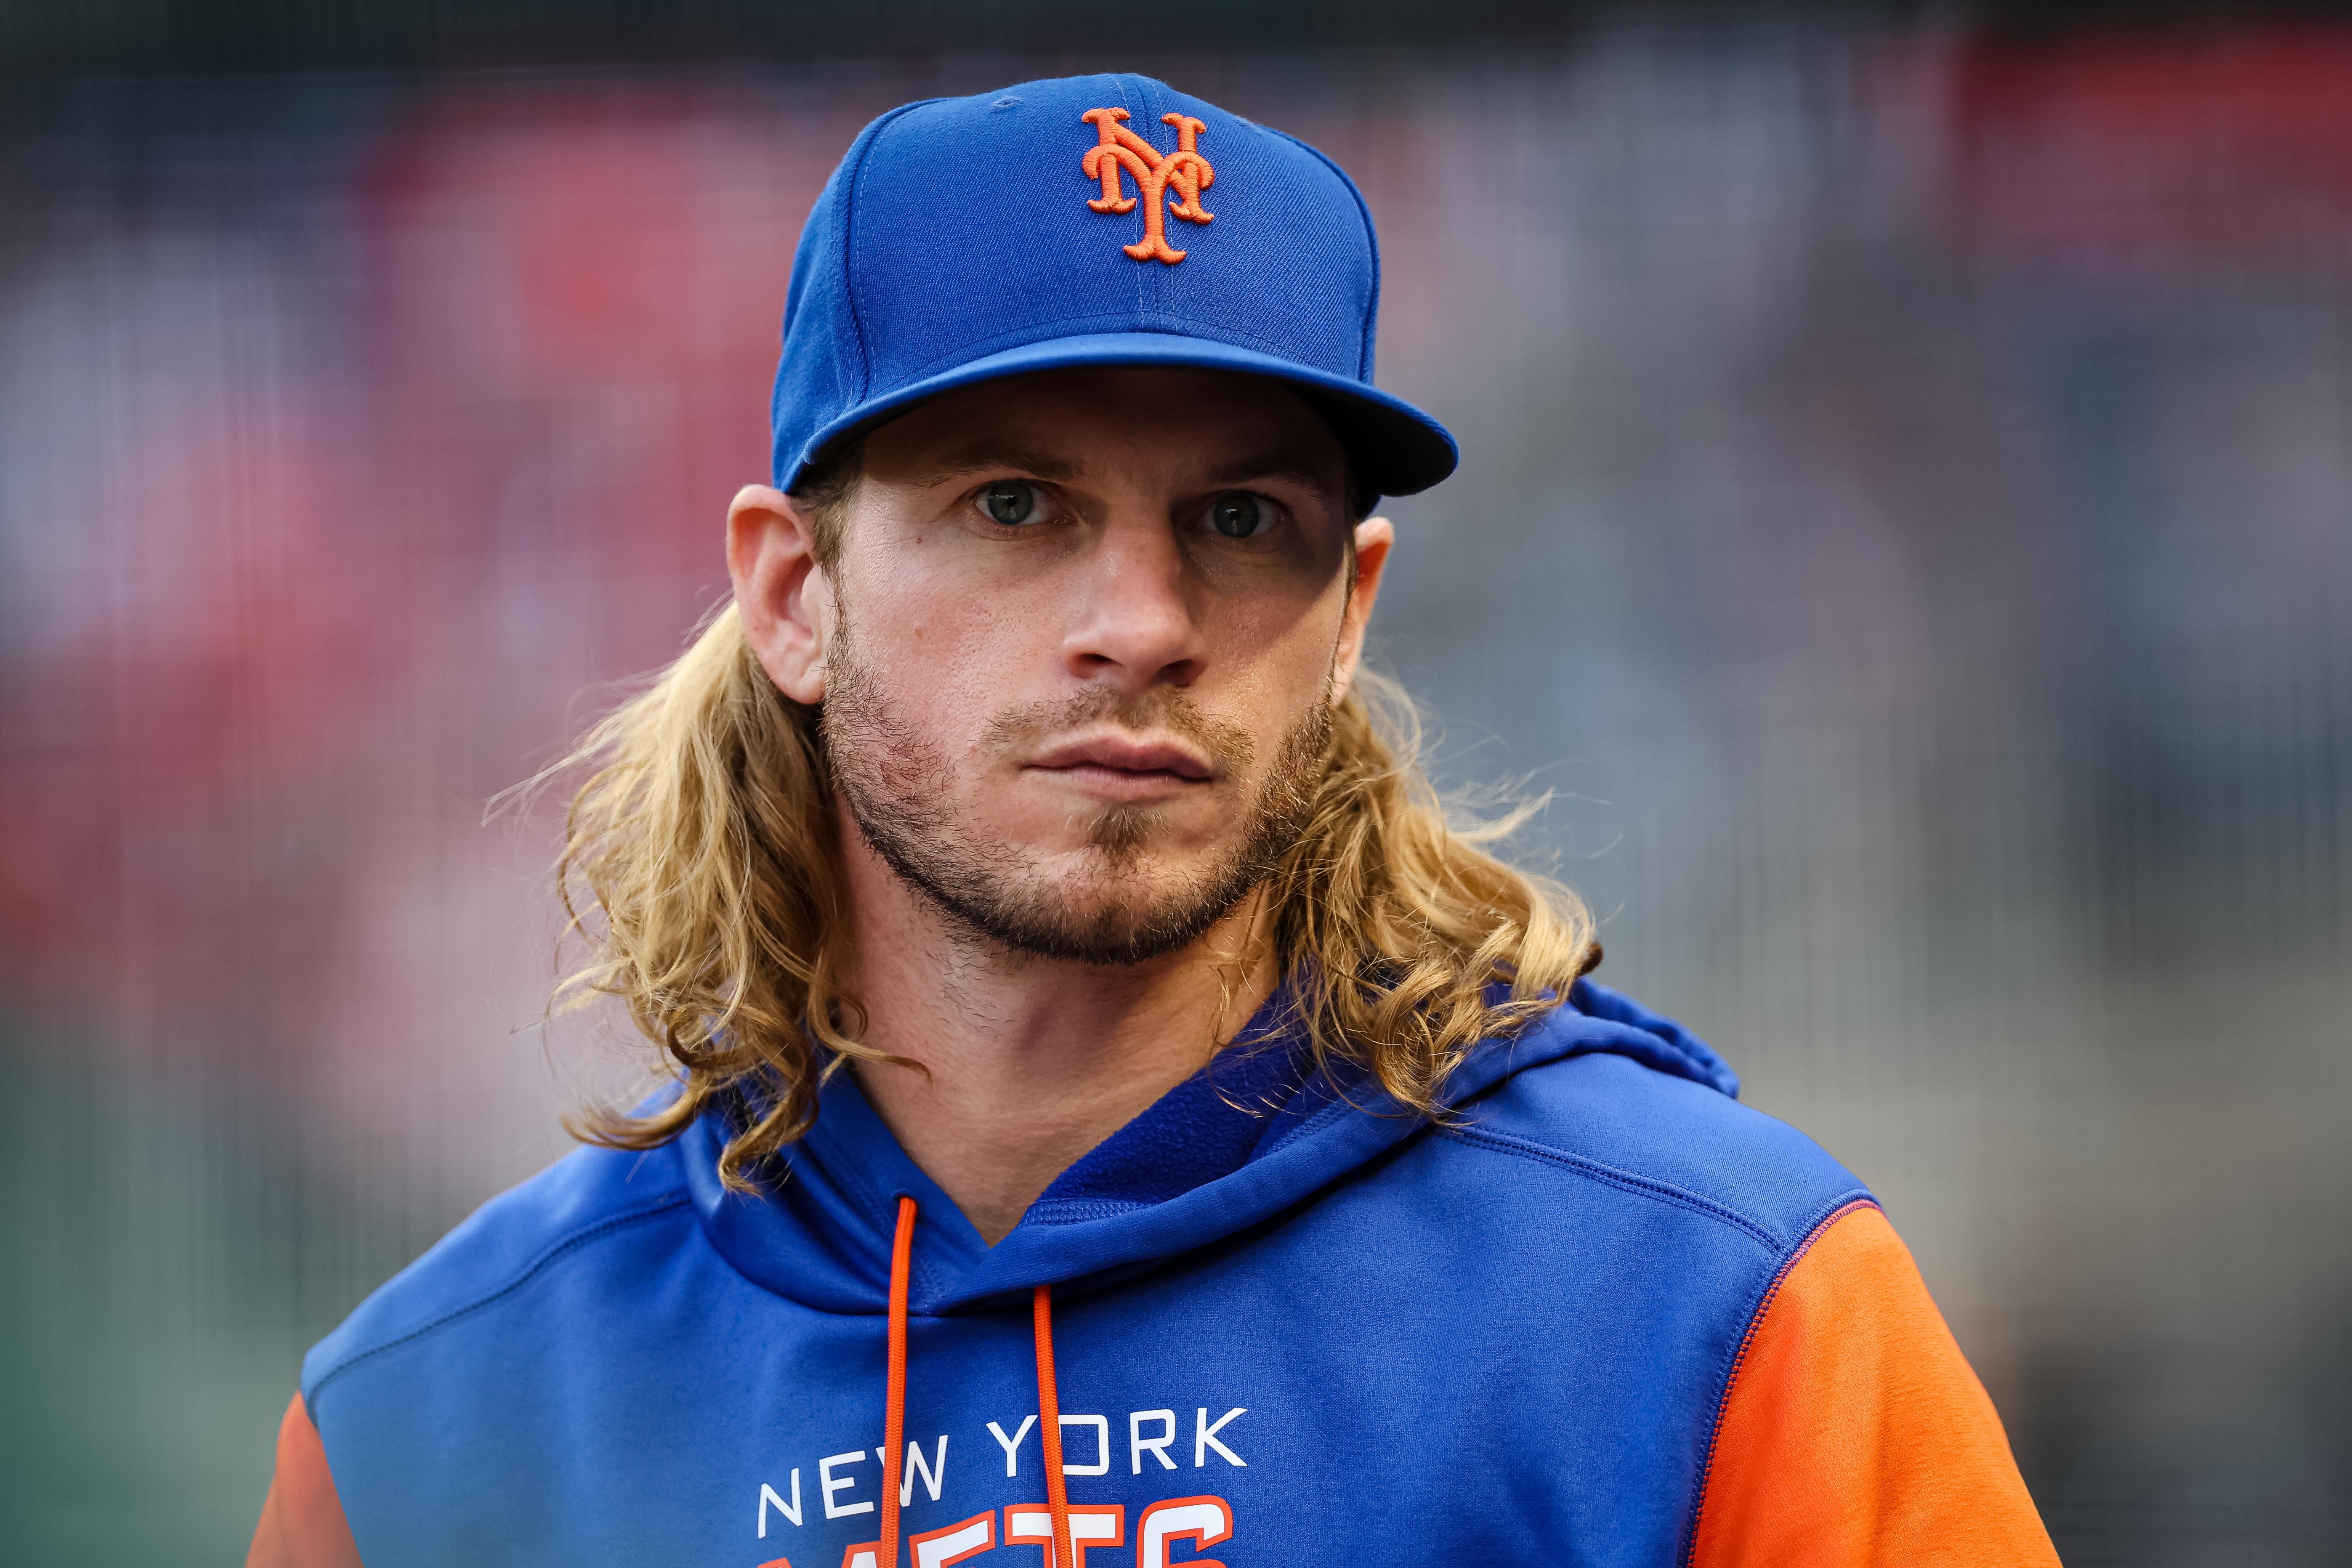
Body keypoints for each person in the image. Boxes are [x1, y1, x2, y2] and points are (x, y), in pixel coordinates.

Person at [247, 73, 2057, 1567]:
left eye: (1242, 518)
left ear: (1351, 611)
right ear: (794, 594)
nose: (1146, 615)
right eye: (1018, 503)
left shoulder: (1712, 1306)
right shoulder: (429, 1424)